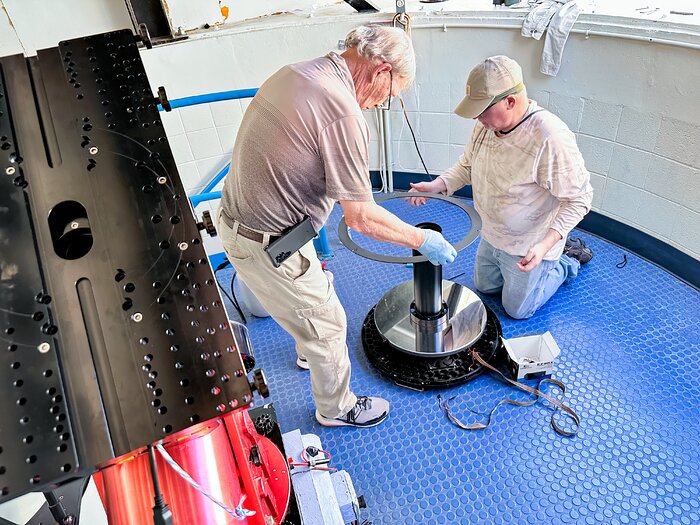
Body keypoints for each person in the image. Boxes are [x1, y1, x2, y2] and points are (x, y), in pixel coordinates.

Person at [218, 25, 456, 428]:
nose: (382, 103)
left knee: (307, 302)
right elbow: (360, 217)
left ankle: (306, 350)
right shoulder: (342, 110)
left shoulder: (296, 73)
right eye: (391, 94)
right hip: (270, 241)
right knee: (329, 324)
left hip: (241, 221)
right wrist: (422, 239)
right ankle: (338, 408)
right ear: (381, 71)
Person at [409, 55, 593, 320]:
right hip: (493, 234)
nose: (476, 117)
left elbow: (579, 199)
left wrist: (545, 245)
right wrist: (438, 185)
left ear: (510, 101)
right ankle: (551, 258)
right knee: (485, 288)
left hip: (530, 244)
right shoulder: (486, 126)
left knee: (517, 311)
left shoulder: (549, 137)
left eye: (482, 109)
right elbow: (468, 166)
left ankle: (566, 260)